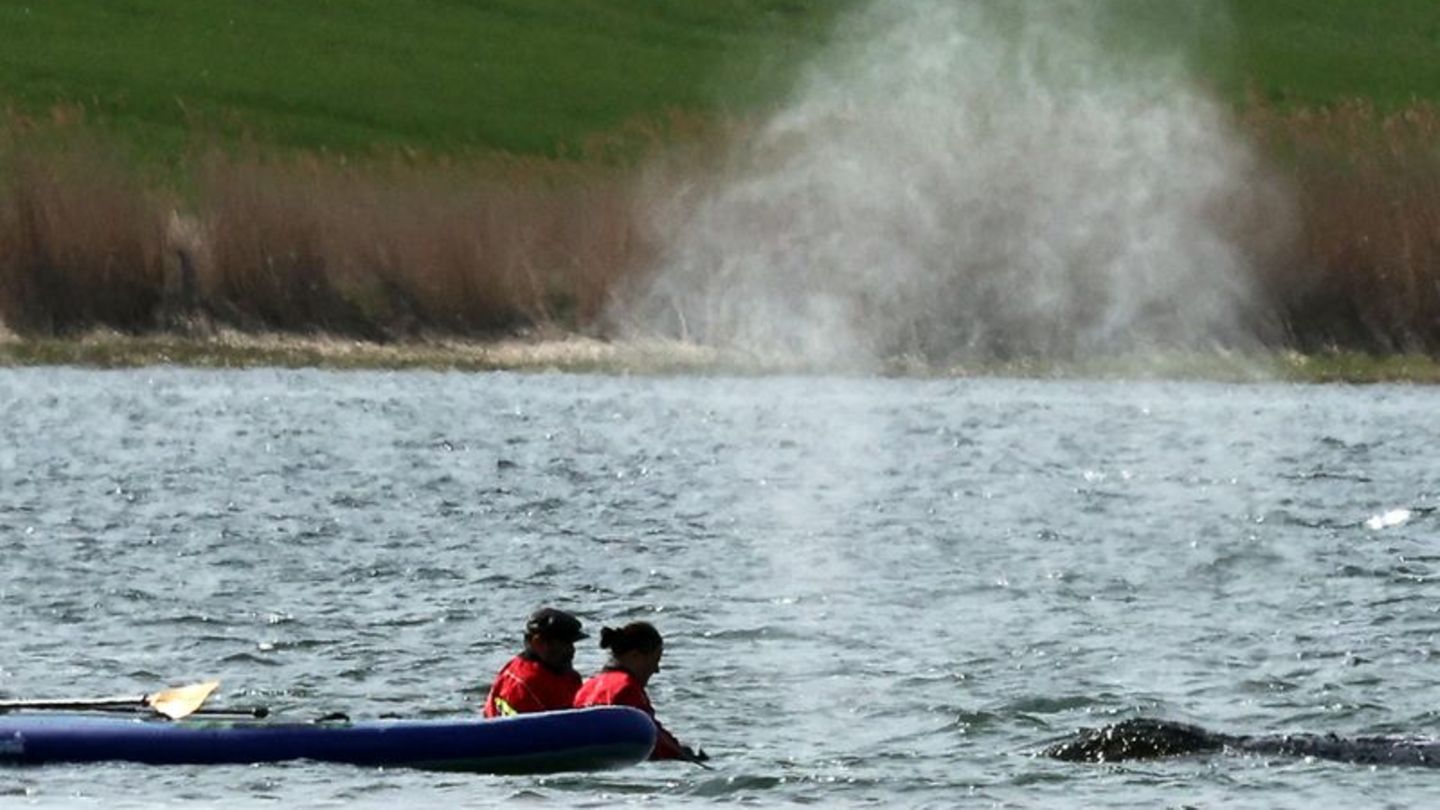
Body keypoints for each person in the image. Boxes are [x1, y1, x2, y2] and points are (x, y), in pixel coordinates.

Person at [573, 621, 707, 763]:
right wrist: (685, 757)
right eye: (655, 660)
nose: (656, 669)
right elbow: (652, 738)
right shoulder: (626, 688)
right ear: (635, 656)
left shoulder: (586, 687)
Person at [482, 607, 587, 718]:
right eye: (564, 644)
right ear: (538, 643)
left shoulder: (568, 676)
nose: (571, 650)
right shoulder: (524, 685)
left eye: (571, 644)